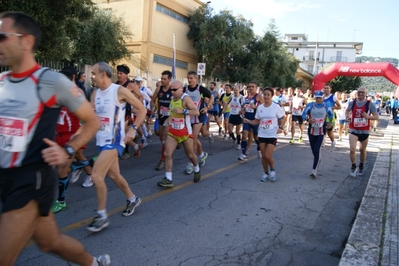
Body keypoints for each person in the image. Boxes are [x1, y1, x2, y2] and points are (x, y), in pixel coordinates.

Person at [0, 11, 110, 265]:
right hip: (4, 175)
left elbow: (92, 121)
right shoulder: (3, 81)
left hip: (30, 179)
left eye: (3, 36)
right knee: (50, 242)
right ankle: (95, 263)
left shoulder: (51, 81)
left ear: (26, 41)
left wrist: (68, 150)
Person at [86, 62, 146, 233]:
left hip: (115, 141)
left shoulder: (119, 91)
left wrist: (133, 129)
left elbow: (141, 109)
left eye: (93, 73)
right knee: (113, 174)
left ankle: (102, 215)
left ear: (103, 74)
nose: (91, 76)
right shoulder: (94, 94)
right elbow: (94, 119)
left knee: (97, 175)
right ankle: (132, 199)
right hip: (101, 141)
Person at [157, 80, 201, 188]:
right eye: (171, 89)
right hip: (173, 132)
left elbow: (196, 112)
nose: (172, 92)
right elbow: (172, 114)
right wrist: (167, 122)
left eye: (175, 90)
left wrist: (183, 111)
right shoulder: (172, 99)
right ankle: (168, 179)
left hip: (185, 132)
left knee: (190, 155)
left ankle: (197, 169)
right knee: (167, 154)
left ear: (182, 89)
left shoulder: (185, 99)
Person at [243, 87, 285, 181]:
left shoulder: (275, 107)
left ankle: (273, 170)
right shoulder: (260, 108)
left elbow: (283, 118)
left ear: (271, 96)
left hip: (272, 134)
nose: (266, 96)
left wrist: (281, 128)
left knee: (267, 155)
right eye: (264, 94)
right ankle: (265, 173)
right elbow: (257, 121)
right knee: (263, 156)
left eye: (268, 95)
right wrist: (248, 121)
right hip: (262, 134)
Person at [345, 87, 379, 177]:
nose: (360, 94)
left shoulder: (370, 104)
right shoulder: (352, 103)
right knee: (352, 149)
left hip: (364, 130)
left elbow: (376, 117)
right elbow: (347, 111)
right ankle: (353, 166)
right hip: (353, 129)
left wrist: (367, 117)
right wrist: (347, 116)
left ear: (365, 94)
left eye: (362, 93)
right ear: (357, 93)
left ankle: (361, 165)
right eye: (359, 92)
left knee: (362, 149)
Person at [184, 71, 212, 173]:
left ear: (196, 79)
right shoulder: (185, 89)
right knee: (192, 139)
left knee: (193, 139)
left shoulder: (200, 89)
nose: (190, 80)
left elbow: (211, 96)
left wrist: (207, 107)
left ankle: (191, 163)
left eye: (191, 78)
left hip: (198, 116)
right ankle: (202, 154)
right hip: (188, 117)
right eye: (188, 78)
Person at [302, 91, 334, 178]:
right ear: (314, 98)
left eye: (320, 98)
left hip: (321, 130)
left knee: (317, 149)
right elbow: (303, 114)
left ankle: (314, 171)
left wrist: (330, 122)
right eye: (317, 98)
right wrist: (308, 119)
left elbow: (331, 115)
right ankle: (318, 159)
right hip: (311, 130)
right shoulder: (311, 105)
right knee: (313, 150)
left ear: (323, 98)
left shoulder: (326, 105)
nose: (318, 99)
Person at [151, 70, 173, 171]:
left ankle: (163, 159)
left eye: (164, 79)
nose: (162, 81)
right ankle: (173, 144)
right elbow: (152, 100)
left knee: (164, 137)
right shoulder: (159, 89)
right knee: (160, 136)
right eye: (162, 79)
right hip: (161, 116)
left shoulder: (173, 90)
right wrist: (153, 108)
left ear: (169, 80)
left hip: (170, 117)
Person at [239, 81, 263, 161]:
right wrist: (242, 111)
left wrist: (255, 107)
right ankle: (243, 153)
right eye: (249, 87)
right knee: (244, 134)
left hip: (255, 120)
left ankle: (259, 148)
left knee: (256, 137)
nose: (251, 88)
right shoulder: (245, 97)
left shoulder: (258, 97)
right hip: (246, 119)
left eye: (253, 87)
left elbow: (264, 108)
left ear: (256, 88)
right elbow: (243, 108)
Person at [323, 83, 341, 150]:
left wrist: (331, 107)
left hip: (329, 117)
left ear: (330, 89)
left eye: (327, 88)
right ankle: (322, 142)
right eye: (325, 88)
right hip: (322, 116)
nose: (326, 89)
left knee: (329, 131)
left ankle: (333, 141)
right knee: (322, 129)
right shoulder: (322, 96)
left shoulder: (333, 97)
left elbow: (339, 106)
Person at [228, 85, 245, 150]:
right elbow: (227, 103)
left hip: (238, 115)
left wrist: (242, 111)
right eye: (234, 90)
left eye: (236, 90)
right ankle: (234, 139)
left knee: (237, 131)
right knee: (230, 131)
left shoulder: (241, 97)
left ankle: (238, 144)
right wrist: (224, 108)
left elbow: (243, 106)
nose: (235, 91)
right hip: (232, 114)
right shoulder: (231, 96)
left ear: (239, 90)